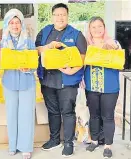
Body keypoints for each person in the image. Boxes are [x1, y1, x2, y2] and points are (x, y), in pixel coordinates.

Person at [35, 3, 87, 157]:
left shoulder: (76, 34)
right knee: (53, 111)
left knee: (67, 111)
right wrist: (48, 46)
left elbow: (83, 58)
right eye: (57, 14)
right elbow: (36, 50)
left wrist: (72, 70)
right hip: (47, 79)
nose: (60, 17)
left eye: (63, 14)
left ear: (67, 16)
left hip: (68, 81)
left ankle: (69, 143)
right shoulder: (45, 32)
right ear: (52, 17)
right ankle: (55, 139)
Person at [83, 16, 122, 159]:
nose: (97, 29)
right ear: (89, 30)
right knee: (94, 115)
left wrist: (115, 47)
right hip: (91, 86)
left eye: (100, 26)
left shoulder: (113, 42)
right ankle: (94, 140)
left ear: (104, 28)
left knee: (108, 116)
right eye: (93, 27)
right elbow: (81, 64)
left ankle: (108, 145)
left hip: (110, 88)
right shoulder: (86, 45)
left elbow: (121, 60)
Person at [0, 9, 37, 159]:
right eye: (12, 22)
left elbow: (35, 64)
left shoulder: (29, 41)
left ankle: (26, 147)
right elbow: (1, 63)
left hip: (27, 82)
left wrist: (28, 68)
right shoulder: (2, 43)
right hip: (9, 82)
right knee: (11, 114)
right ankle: (13, 145)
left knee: (26, 114)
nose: (15, 25)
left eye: (17, 22)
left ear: (21, 24)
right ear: (7, 25)